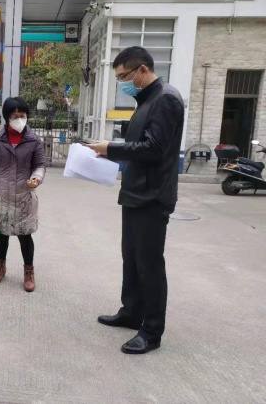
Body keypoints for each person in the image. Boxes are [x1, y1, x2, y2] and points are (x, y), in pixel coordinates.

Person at [87, 46, 184, 354]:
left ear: (142, 70)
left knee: (149, 263)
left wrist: (110, 148)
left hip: (152, 196)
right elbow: (139, 146)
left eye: (123, 77)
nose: (122, 83)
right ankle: (131, 312)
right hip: (135, 192)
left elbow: (153, 148)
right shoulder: (146, 99)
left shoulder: (166, 98)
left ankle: (152, 331)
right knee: (131, 257)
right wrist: (111, 154)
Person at [0, 97, 46, 292]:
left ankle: (29, 272)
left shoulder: (34, 140)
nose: (20, 120)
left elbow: (40, 165)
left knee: (25, 236)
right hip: (1, 195)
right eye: (15, 116)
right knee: (2, 235)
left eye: (23, 115)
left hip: (25, 196)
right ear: (7, 118)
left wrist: (36, 178)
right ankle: (0, 267)